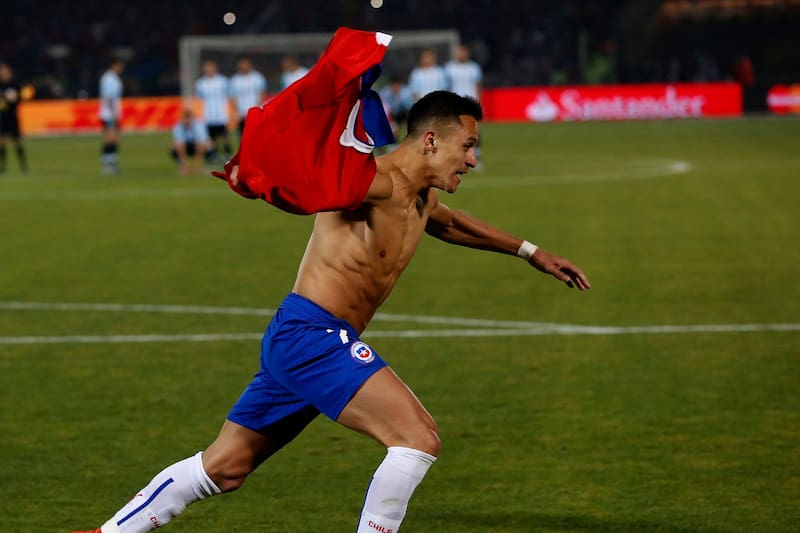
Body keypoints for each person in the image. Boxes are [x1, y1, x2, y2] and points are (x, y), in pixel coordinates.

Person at [71, 28, 590, 533]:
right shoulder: (370, 183)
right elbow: (315, 173)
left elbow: (450, 223)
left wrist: (531, 252)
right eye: (468, 145)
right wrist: (265, 168)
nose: (473, 158)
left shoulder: (420, 197)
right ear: (431, 140)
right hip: (312, 337)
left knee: (223, 468)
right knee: (417, 438)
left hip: (304, 340)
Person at [444, 45, 484, 168]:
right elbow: (447, 86)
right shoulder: (449, 68)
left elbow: (478, 85)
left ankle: (475, 158)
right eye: (459, 52)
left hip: (471, 103)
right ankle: (457, 159)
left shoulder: (474, 68)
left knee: (474, 131)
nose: (461, 54)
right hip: (456, 104)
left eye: (463, 52)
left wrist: (479, 102)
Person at [195, 59, 231, 163]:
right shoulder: (201, 83)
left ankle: (227, 155)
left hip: (221, 115)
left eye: (210, 67)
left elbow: (228, 97)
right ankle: (213, 157)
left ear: (215, 68)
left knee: (224, 137)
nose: (208, 70)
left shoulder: (222, 81)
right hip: (208, 116)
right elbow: (199, 100)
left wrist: (229, 113)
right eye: (206, 68)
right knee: (211, 139)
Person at [0, 63, 30, 173]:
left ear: (10, 73)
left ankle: (23, 165)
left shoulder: (15, 85)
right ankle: (2, 166)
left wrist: (12, 99)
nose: (3, 74)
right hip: (2, 117)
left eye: (5, 72)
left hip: (12, 116)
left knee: (17, 141)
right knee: (1, 141)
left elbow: (19, 99)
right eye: (2, 73)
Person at [228, 56, 267, 136]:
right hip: (241, 114)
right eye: (242, 65)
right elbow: (233, 98)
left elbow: (262, 94)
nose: (244, 67)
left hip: (255, 112)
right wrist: (236, 112)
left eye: (246, 64)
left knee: (257, 135)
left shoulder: (258, 77)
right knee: (244, 136)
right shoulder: (234, 80)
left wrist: (258, 109)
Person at [98, 58, 124, 175]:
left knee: (115, 138)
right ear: (114, 65)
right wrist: (113, 113)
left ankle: (112, 162)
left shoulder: (113, 78)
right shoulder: (109, 79)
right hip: (109, 113)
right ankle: (107, 164)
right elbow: (108, 97)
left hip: (113, 112)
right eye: (119, 65)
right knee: (110, 138)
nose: (121, 68)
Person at [170, 108, 210, 175]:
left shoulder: (198, 125)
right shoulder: (178, 126)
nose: (187, 120)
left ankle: (198, 167)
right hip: (186, 146)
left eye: (189, 118)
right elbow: (179, 141)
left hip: (198, 146)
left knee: (201, 144)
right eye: (186, 118)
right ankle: (184, 167)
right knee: (178, 145)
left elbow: (202, 140)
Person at [379, 75, 414, 141]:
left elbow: (410, 106)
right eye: (393, 86)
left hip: (403, 114)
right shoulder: (385, 93)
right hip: (390, 116)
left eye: (397, 85)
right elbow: (383, 108)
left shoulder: (406, 92)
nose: (395, 88)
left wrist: (399, 98)